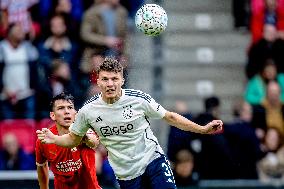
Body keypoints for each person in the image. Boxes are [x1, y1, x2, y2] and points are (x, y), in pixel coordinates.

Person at [37, 57, 223, 189]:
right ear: (98, 81)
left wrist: (202, 129)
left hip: (153, 160)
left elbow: (170, 117)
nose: (110, 84)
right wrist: (54, 139)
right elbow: (73, 139)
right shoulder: (88, 110)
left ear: (122, 80)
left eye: (114, 79)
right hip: (126, 174)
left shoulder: (138, 99)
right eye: (105, 79)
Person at [35, 92, 101, 189]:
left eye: (70, 107)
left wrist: (84, 138)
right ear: (53, 115)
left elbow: (94, 142)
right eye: (61, 108)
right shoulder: (45, 139)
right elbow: (41, 166)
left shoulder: (84, 130)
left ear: (75, 113)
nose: (66, 111)